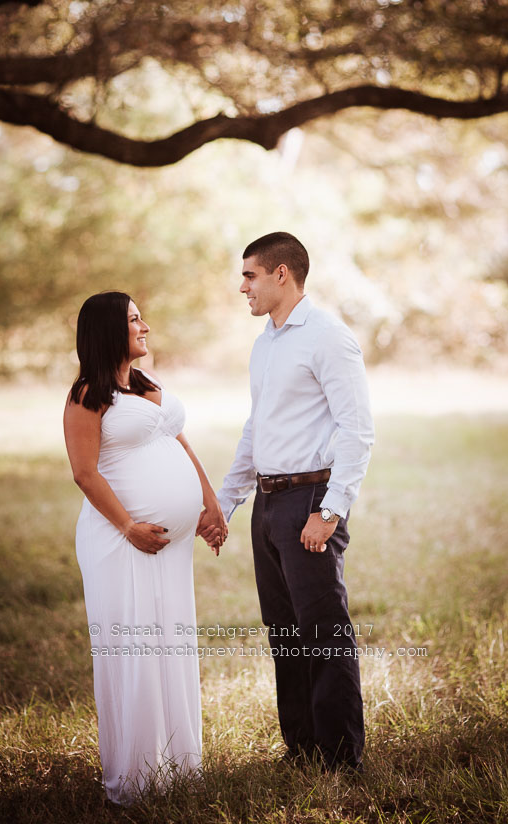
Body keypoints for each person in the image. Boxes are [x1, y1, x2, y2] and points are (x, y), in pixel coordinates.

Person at [212, 232, 374, 772]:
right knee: (284, 632)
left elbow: (357, 430)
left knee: (323, 630)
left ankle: (340, 756)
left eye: (249, 275)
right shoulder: (266, 342)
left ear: (282, 274)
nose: (242, 287)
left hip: (310, 498)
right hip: (268, 502)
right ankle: (301, 747)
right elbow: (257, 430)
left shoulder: (328, 336)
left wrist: (329, 511)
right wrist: (225, 501)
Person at [63, 291, 227, 805]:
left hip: (172, 549)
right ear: (109, 329)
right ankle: (133, 781)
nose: (145, 327)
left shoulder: (145, 385)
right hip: (120, 544)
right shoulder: (86, 394)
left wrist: (210, 503)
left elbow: (179, 440)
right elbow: (84, 473)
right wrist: (129, 526)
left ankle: (179, 766)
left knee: (171, 645)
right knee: (134, 650)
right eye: (134, 319)